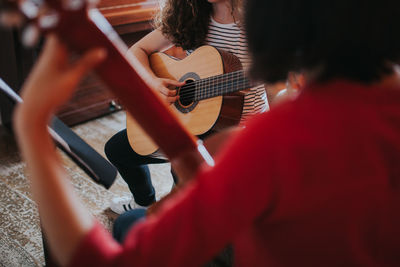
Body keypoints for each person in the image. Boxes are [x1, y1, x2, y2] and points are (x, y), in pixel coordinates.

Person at [13, 0, 400, 266]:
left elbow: (101, 262)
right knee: (127, 156)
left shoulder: (268, 143)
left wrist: (31, 124)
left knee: (131, 227)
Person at [104, 0, 269, 214]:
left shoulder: (261, 18)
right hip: (192, 119)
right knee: (117, 150)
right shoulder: (190, 12)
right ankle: (143, 201)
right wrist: (153, 81)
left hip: (239, 126)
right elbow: (137, 50)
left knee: (184, 178)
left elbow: (281, 85)